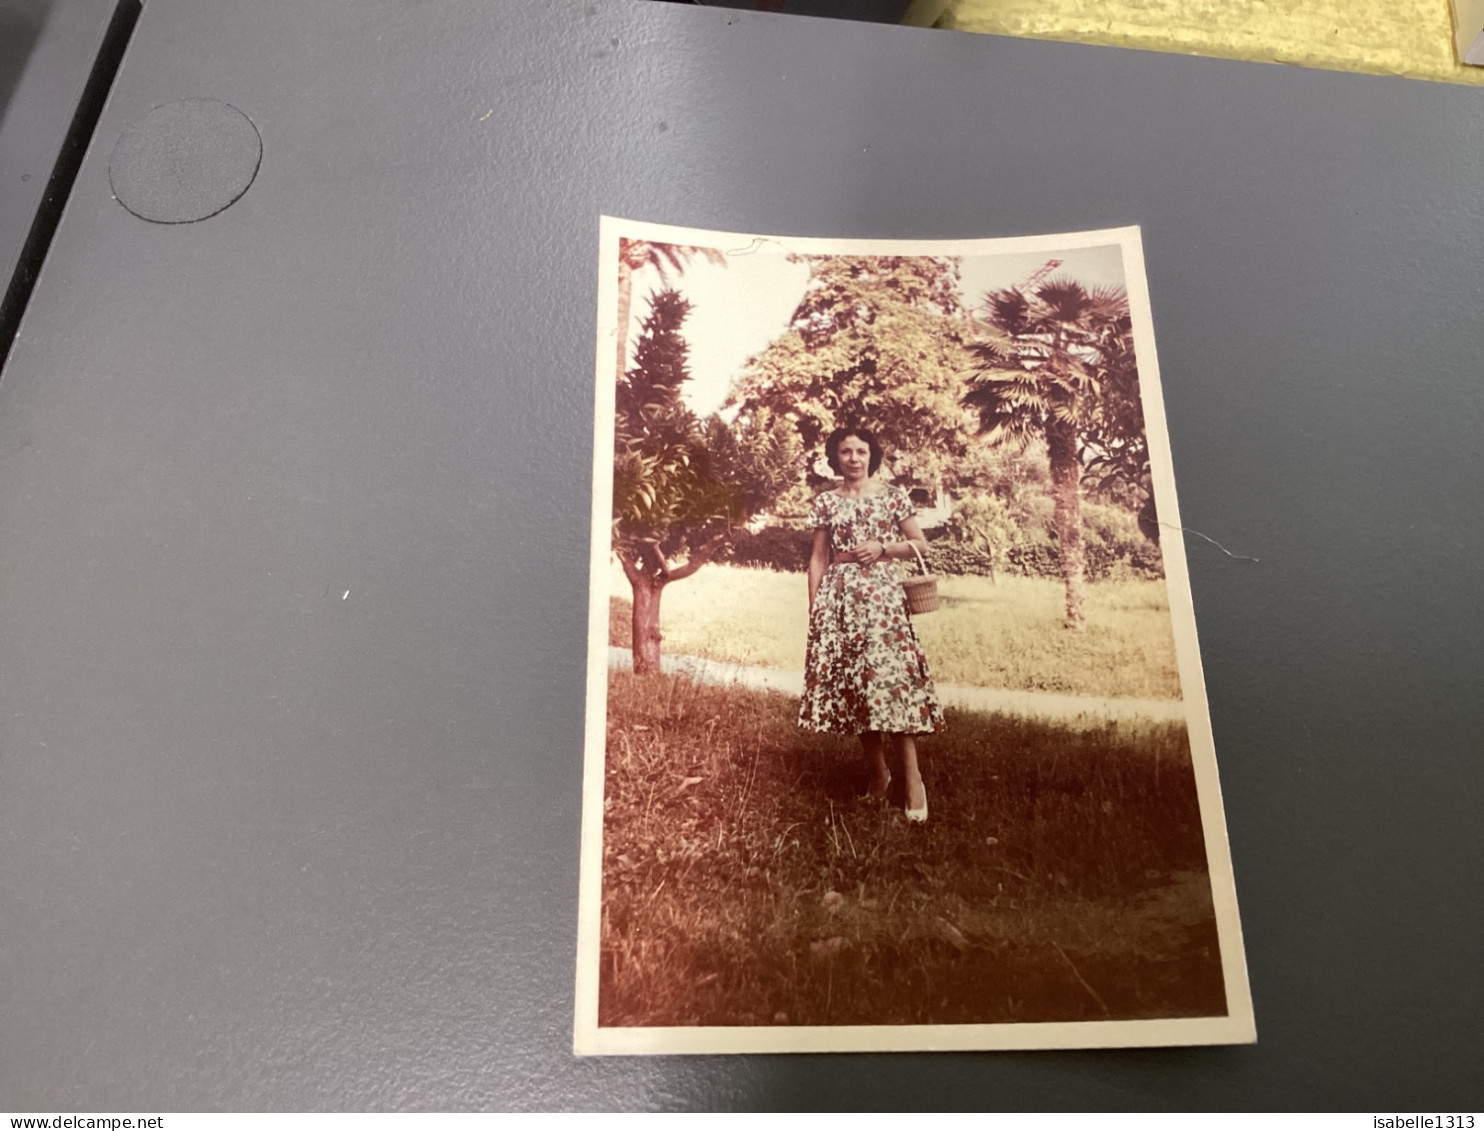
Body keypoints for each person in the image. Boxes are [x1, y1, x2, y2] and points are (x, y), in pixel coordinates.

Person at [798, 426, 944, 822]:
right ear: (836, 457)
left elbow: (920, 544)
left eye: (861, 451)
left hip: (882, 598)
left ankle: (912, 779)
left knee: (891, 682)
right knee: (861, 684)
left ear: (871, 456)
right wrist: (817, 611)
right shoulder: (827, 502)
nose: (853, 458)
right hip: (841, 598)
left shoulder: (892, 496)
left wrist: (884, 547)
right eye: (845, 451)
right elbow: (817, 558)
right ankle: (878, 774)